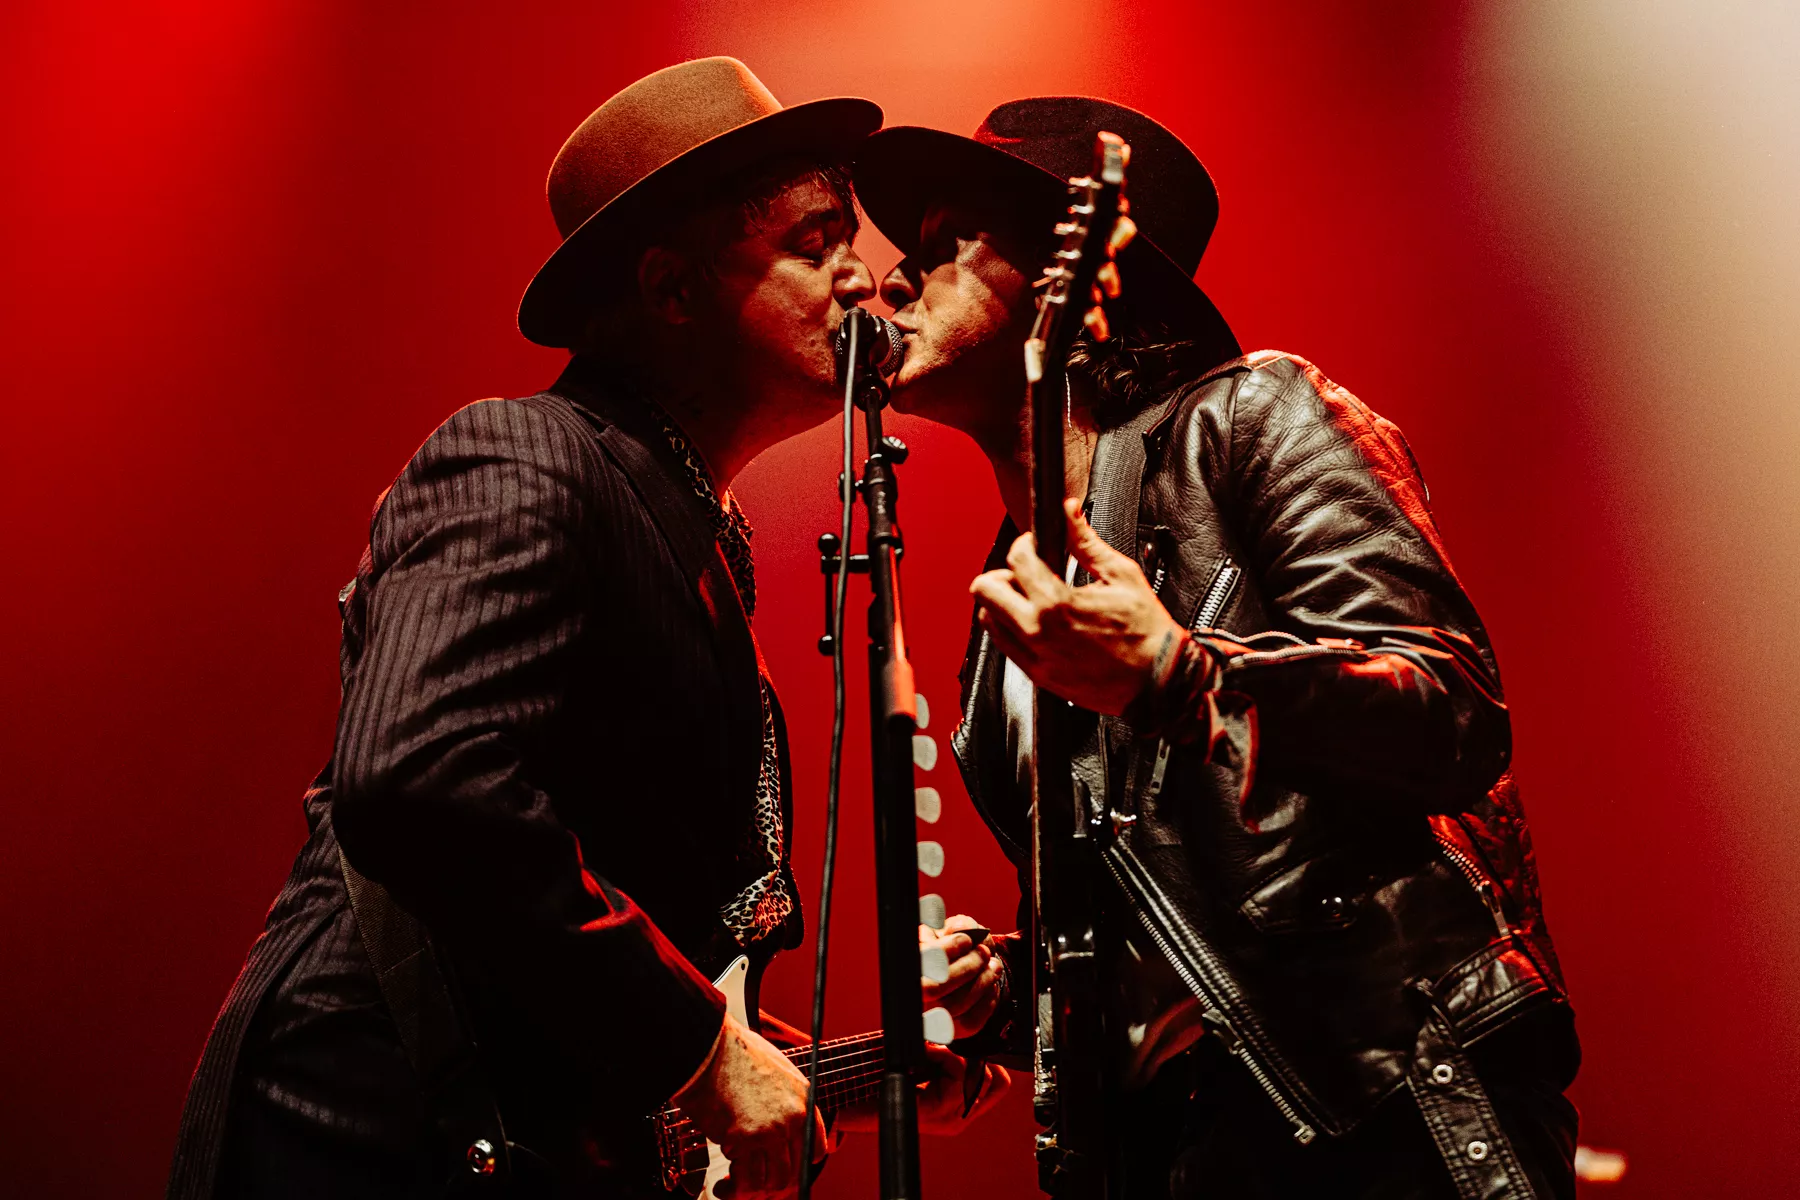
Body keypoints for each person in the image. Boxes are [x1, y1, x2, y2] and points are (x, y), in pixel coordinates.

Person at [166, 57, 993, 1200]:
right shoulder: (524, 455)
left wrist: (846, 1075)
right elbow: (418, 775)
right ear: (671, 288)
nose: (867, 277)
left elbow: (577, 959)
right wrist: (702, 1054)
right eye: (816, 243)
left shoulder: (695, 536)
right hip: (358, 1141)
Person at [857, 98, 1580, 1199]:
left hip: (1381, 1107)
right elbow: (1155, 920)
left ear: (1073, 283)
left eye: (948, 238)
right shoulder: (1005, 606)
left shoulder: (1249, 418)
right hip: (1185, 1159)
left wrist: (1185, 678)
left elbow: (1452, 710)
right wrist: (1002, 984)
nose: (894, 279)